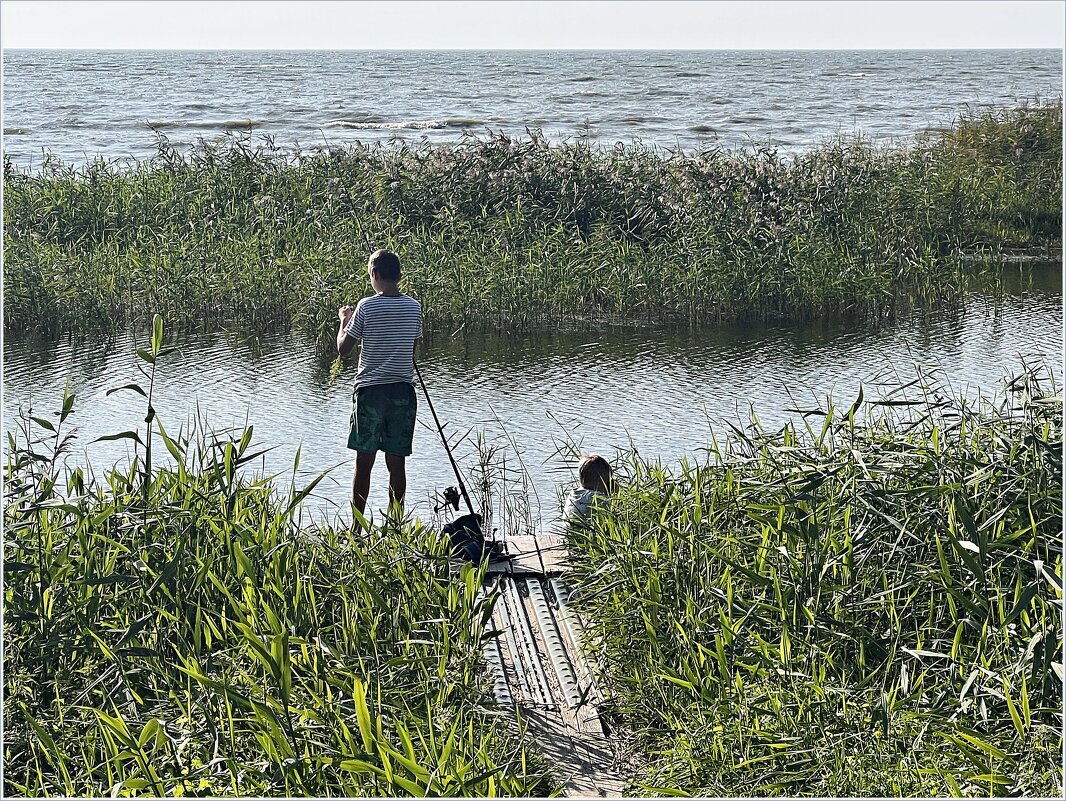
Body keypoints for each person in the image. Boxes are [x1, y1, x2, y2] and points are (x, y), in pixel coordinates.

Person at [337, 249, 422, 521]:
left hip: (370, 392)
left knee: (364, 464)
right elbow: (413, 349)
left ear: (375, 274)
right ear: (398, 275)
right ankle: (395, 527)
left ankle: (357, 530)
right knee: (397, 463)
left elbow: (344, 349)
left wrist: (344, 322)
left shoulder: (367, 306)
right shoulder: (414, 307)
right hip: (402, 391)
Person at [563, 453, 614, 522]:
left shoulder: (573, 494)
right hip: (587, 532)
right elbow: (611, 518)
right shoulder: (599, 499)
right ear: (602, 480)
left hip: (568, 531)